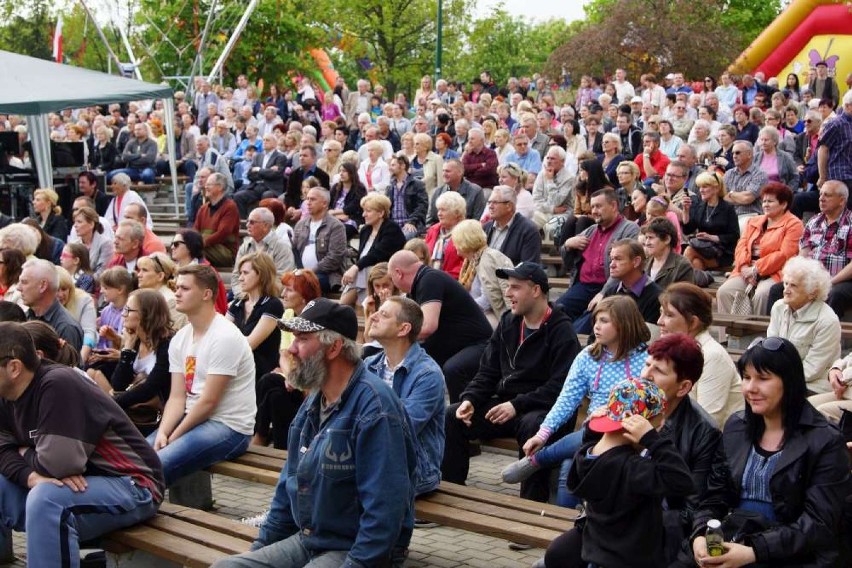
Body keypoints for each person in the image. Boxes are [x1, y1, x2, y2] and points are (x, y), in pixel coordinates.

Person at [211, 299, 416, 568]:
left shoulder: (376, 409)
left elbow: (384, 513)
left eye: (302, 339)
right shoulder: (314, 401)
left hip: (355, 549)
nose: (291, 349)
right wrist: (258, 551)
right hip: (310, 539)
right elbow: (287, 490)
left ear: (334, 347)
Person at [0, 322, 165, 567]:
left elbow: (56, 465)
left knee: (47, 501)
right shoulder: (6, 393)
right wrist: (31, 477)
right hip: (82, 485)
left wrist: (22, 451)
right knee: (21, 487)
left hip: (133, 484)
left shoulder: (57, 384)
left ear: (14, 367)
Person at [689, 337, 850, 568]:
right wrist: (701, 533)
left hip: (793, 555)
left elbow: (818, 523)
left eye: (763, 379)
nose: (750, 388)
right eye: (746, 377)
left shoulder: (825, 440)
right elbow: (714, 496)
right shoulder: (737, 427)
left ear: (789, 382)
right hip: (735, 540)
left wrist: (754, 551)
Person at [446, 262, 581, 502]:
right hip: (508, 407)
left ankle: (531, 507)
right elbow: (487, 371)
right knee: (453, 415)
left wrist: (516, 405)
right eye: (508, 287)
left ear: (536, 290)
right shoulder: (509, 322)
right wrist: (470, 399)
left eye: (515, 288)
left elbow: (560, 388)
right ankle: (452, 490)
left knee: (532, 426)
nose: (508, 294)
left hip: (544, 411)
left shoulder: (562, 331)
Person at [502, 296, 650, 507]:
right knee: (569, 467)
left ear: (625, 324)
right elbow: (567, 400)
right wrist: (543, 433)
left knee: (595, 439)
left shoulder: (646, 358)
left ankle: (537, 460)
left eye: (604, 321)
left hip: (631, 431)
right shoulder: (588, 357)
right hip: (593, 429)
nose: (596, 327)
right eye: (596, 320)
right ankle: (565, 531)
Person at [542, 376, 693, 568]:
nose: (659, 428)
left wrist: (591, 430)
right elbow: (681, 481)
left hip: (598, 551)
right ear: (636, 425)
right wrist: (654, 441)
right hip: (630, 558)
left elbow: (589, 443)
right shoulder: (632, 468)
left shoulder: (585, 456)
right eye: (655, 426)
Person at [150, 264, 256, 486]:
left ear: (207, 294)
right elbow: (177, 397)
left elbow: (209, 402)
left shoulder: (225, 336)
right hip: (194, 418)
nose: (177, 293)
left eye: (185, 288)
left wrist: (174, 436)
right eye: (176, 287)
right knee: (137, 457)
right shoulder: (180, 338)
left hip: (229, 426)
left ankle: (133, 510)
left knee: (155, 465)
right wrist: (163, 432)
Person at [388, 250, 493, 403]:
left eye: (391, 278)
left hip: (479, 345)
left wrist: (394, 337)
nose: (393, 283)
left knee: (453, 368)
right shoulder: (418, 286)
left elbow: (427, 326)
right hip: (454, 344)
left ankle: (459, 418)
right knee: (410, 358)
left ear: (398, 273)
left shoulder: (430, 279)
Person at [365, 297, 446, 496]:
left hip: (413, 472)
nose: (373, 317)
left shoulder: (428, 374)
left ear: (403, 329)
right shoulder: (369, 365)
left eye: (383, 315)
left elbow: (399, 428)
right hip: (371, 464)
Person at [252, 269, 322, 449]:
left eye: (289, 290)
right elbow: (284, 354)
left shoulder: (318, 317)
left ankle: (260, 436)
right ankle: (279, 447)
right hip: (292, 380)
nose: (283, 294)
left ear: (304, 295)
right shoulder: (288, 315)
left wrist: (290, 375)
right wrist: (290, 374)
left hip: (312, 385)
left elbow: (313, 362)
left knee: (269, 381)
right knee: (275, 395)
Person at [657, 282, 743, 426]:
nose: (660, 322)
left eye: (669, 315)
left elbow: (707, 423)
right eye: (661, 313)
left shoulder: (712, 356)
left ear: (693, 322)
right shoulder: (672, 351)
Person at [716, 182, 804, 315]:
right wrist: (744, 267)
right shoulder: (754, 221)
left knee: (762, 295)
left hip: (775, 272)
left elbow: (785, 254)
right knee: (724, 291)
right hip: (746, 271)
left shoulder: (794, 224)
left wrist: (756, 269)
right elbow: (741, 245)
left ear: (784, 204)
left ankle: (759, 333)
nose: (765, 205)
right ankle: (733, 332)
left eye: (770, 201)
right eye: (764, 201)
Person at [557, 189, 640, 320]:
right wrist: (567, 245)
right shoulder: (591, 230)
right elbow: (567, 261)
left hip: (611, 289)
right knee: (556, 312)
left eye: (598, 206)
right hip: (583, 287)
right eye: (592, 207)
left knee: (586, 323)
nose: (594, 211)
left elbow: (625, 268)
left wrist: (604, 292)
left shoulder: (629, 230)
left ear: (613, 206)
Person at [102, 289, 174, 433]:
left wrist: (111, 404)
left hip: (160, 417)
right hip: (136, 410)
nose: (123, 314)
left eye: (128, 310)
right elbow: (118, 384)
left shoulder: (168, 344)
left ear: (146, 314)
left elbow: (151, 387)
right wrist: (127, 348)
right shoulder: (135, 339)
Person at [767, 257, 840, 393]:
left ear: (812, 292)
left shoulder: (827, 321)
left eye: (793, 285)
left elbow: (812, 369)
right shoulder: (778, 307)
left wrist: (777, 381)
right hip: (781, 379)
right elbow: (770, 351)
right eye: (785, 283)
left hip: (814, 385)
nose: (786, 290)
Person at [340, 194, 405, 306]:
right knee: (363, 269)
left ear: (381, 213)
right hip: (366, 275)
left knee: (366, 268)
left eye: (368, 211)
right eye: (363, 210)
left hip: (386, 273)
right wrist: (356, 268)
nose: (363, 214)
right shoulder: (365, 230)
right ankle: (345, 307)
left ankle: (352, 306)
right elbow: (362, 257)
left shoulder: (391, 229)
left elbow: (376, 254)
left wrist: (355, 267)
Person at [228, 252, 284, 381]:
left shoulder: (272, 304)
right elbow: (221, 337)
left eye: (245, 273)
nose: (240, 278)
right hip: (236, 370)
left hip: (260, 375)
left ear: (261, 274)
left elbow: (250, 344)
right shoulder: (237, 304)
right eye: (240, 273)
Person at [453, 219, 513, 327]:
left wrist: (461, 307)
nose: (456, 249)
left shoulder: (488, 259)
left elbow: (488, 300)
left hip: (494, 317)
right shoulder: (473, 260)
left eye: (457, 243)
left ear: (465, 242)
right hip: (479, 313)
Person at [291, 187, 348, 294]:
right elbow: (295, 251)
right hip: (302, 273)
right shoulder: (300, 224)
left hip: (327, 275)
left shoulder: (336, 226)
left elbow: (335, 257)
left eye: (312, 199)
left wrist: (310, 272)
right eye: (307, 199)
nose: (308, 203)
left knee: (305, 285)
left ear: (324, 204)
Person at [19, 259, 83, 351]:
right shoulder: (27, 316)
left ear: (43, 286)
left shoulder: (66, 327)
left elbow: (66, 364)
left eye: (24, 282)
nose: (19, 288)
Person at [681, 171, 740, 272]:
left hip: (722, 253)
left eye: (705, 187)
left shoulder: (727, 208)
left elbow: (734, 236)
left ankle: (677, 281)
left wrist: (711, 237)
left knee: (689, 250)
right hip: (703, 249)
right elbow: (687, 230)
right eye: (700, 187)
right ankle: (694, 285)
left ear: (716, 188)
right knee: (696, 263)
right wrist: (686, 210)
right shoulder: (700, 207)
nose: (701, 190)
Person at [231, 207, 295, 297]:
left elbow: (282, 281)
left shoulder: (282, 248)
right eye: (247, 221)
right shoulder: (245, 246)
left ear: (265, 226)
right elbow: (235, 276)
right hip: (243, 296)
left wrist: (256, 296)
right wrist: (243, 295)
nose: (247, 225)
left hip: (270, 298)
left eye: (252, 222)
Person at [169, 228, 229, 315]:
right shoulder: (175, 269)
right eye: (172, 244)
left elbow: (212, 309)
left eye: (176, 244)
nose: (172, 247)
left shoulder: (205, 273)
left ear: (190, 246)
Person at [481, 185, 541, 265]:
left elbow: (529, 267)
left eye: (495, 202)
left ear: (509, 206)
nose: (490, 206)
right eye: (489, 202)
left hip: (511, 276)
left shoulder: (528, 230)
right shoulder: (486, 228)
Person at [193, 172, 241, 267]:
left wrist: (199, 243)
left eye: (209, 184)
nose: (205, 187)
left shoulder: (230, 207)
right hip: (206, 247)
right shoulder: (203, 208)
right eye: (206, 184)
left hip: (226, 252)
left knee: (192, 250)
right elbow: (195, 230)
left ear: (220, 187)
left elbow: (222, 234)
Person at [723, 141, 770, 232]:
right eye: (733, 153)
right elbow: (722, 196)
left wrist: (731, 193)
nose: (734, 156)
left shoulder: (760, 174)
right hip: (729, 215)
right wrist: (738, 197)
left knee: (738, 229)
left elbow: (747, 198)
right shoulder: (729, 173)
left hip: (751, 215)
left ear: (749, 154)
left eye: (738, 152)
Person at [136, 252, 186, 331]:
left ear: (160, 276)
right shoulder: (142, 298)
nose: (139, 275)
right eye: (139, 270)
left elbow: (173, 334)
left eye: (144, 270)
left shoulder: (171, 301)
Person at [427, 159, 486, 225]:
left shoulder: (476, 191)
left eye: (448, 171)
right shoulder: (437, 192)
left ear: (460, 172)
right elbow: (430, 220)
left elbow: (478, 221)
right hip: (440, 232)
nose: (444, 174)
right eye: (443, 171)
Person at [56, 266, 96, 362]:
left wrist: (80, 361)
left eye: (64, 289)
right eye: (57, 290)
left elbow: (89, 333)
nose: (61, 294)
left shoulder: (84, 300)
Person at [641, 218, 694, 289]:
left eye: (651, 238)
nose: (647, 243)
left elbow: (684, 297)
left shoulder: (682, 266)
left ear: (667, 239)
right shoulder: (644, 263)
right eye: (646, 238)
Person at [531, 146, 576, 231]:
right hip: (545, 212)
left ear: (562, 162)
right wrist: (552, 209)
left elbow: (556, 201)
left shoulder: (569, 178)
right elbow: (535, 201)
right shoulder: (541, 174)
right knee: (529, 223)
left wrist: (550, 180)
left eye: (553, 159)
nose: (549, 161)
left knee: (550, 228)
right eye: (548, 158)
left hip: (562, 214)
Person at [817, 90, 852, 196]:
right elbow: (823, 149)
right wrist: (822, 177)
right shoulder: (836, 124)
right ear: (848, 106)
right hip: (840, 176)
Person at [424, 191, 466, 279]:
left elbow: (466, 265)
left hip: (453, 282)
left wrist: (441, 278)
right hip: (429, 279)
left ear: (456, 213)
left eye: (443, 210)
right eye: (438, 209)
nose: (439, 213)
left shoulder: (466, 232)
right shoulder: (433, 230)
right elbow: (424, 257)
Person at [386, 153, 429, 239]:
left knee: (403, 237)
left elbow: (422, 206)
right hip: (393, 224)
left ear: (402, 166)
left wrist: (412, 221)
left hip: (411, 224)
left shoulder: (417, 184)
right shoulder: (390, 187)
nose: (390, 168)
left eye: (393, 165)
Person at [328, 161, 367, 240]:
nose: (341, 173)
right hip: (334, 217)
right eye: (340, 171)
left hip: (351, 219)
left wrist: (334, 213)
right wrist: (335, 215)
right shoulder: (336, 187)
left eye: (344, 171)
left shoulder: (359, 189)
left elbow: (353, 207)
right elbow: (328, 203)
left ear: (351, 173)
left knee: (341, 231)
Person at [70, 206, 113, 276]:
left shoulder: (106, 244)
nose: (75, 225)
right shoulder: (75, 244)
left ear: (91, 224)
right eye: (75, 222)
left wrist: (83, 282)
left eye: (79, 222)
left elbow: (102, 273)